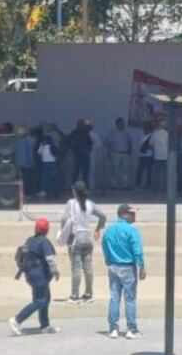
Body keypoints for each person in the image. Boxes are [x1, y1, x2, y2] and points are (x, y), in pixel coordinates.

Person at [59, 182, 107, 304]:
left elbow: (64, 219)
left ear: (75, 191)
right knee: (88, 267)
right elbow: (103, 216)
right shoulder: (90, 204)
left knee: (76, 268)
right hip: (88, 237)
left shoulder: (71, 203)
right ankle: (88, 294)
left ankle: (74, 295)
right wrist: (98, 228)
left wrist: (64, 232)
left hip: (76, 238)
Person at [102, 204, 145, 339]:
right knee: (130, 299)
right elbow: (137, 250)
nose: (134, 216)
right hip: (128, 267)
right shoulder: (132, 231)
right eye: (131, 213)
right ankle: (131, 329)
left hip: (113, 266)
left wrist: (108, 261)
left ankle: (113, 328)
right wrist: (141, 266)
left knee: (115, 297)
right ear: (123, 214)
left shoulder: (109, 230)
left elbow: (105, 247)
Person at [10, 217, 60, 335]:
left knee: (45, 299)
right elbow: (50, 259)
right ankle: (17, 320)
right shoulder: (44, 242)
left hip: (31, 275)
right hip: (40, 276)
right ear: (46, 230)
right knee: (39, 301)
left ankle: (45, 325)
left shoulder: (30, 240)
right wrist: (56, 271)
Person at [104, 118, 132, 191]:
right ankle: (114, 185)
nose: (123, 125)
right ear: (117, 124)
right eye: (121, 123)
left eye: (123, 123)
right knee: (115, 170)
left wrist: (130, 150)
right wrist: (108, 153)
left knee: (125, 170)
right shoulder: (112, 133)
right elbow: (108, 144)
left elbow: (129, 142)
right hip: (115, 153)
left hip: (125, 153)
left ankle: (124, 185)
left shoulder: (126, 132)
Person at [150, 121, 169, 193]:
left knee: (155, 175)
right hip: (166, 156)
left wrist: (155, 151)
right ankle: (166, 190)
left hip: (157, 156)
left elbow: (151, 145)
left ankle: (154, 189)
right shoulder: (167, 133)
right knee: (166, 175)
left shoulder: (154, 133)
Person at [135, 124, 154, 190]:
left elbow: (152, 146)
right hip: (141, 155)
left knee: (149, 172)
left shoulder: (152, 136)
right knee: (139, 171)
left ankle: (148, 185)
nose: (145, 130)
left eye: (146, 128)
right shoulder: (142, 135)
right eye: (144, 128)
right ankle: (137, 185)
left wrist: (146, 147)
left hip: (149, 156)